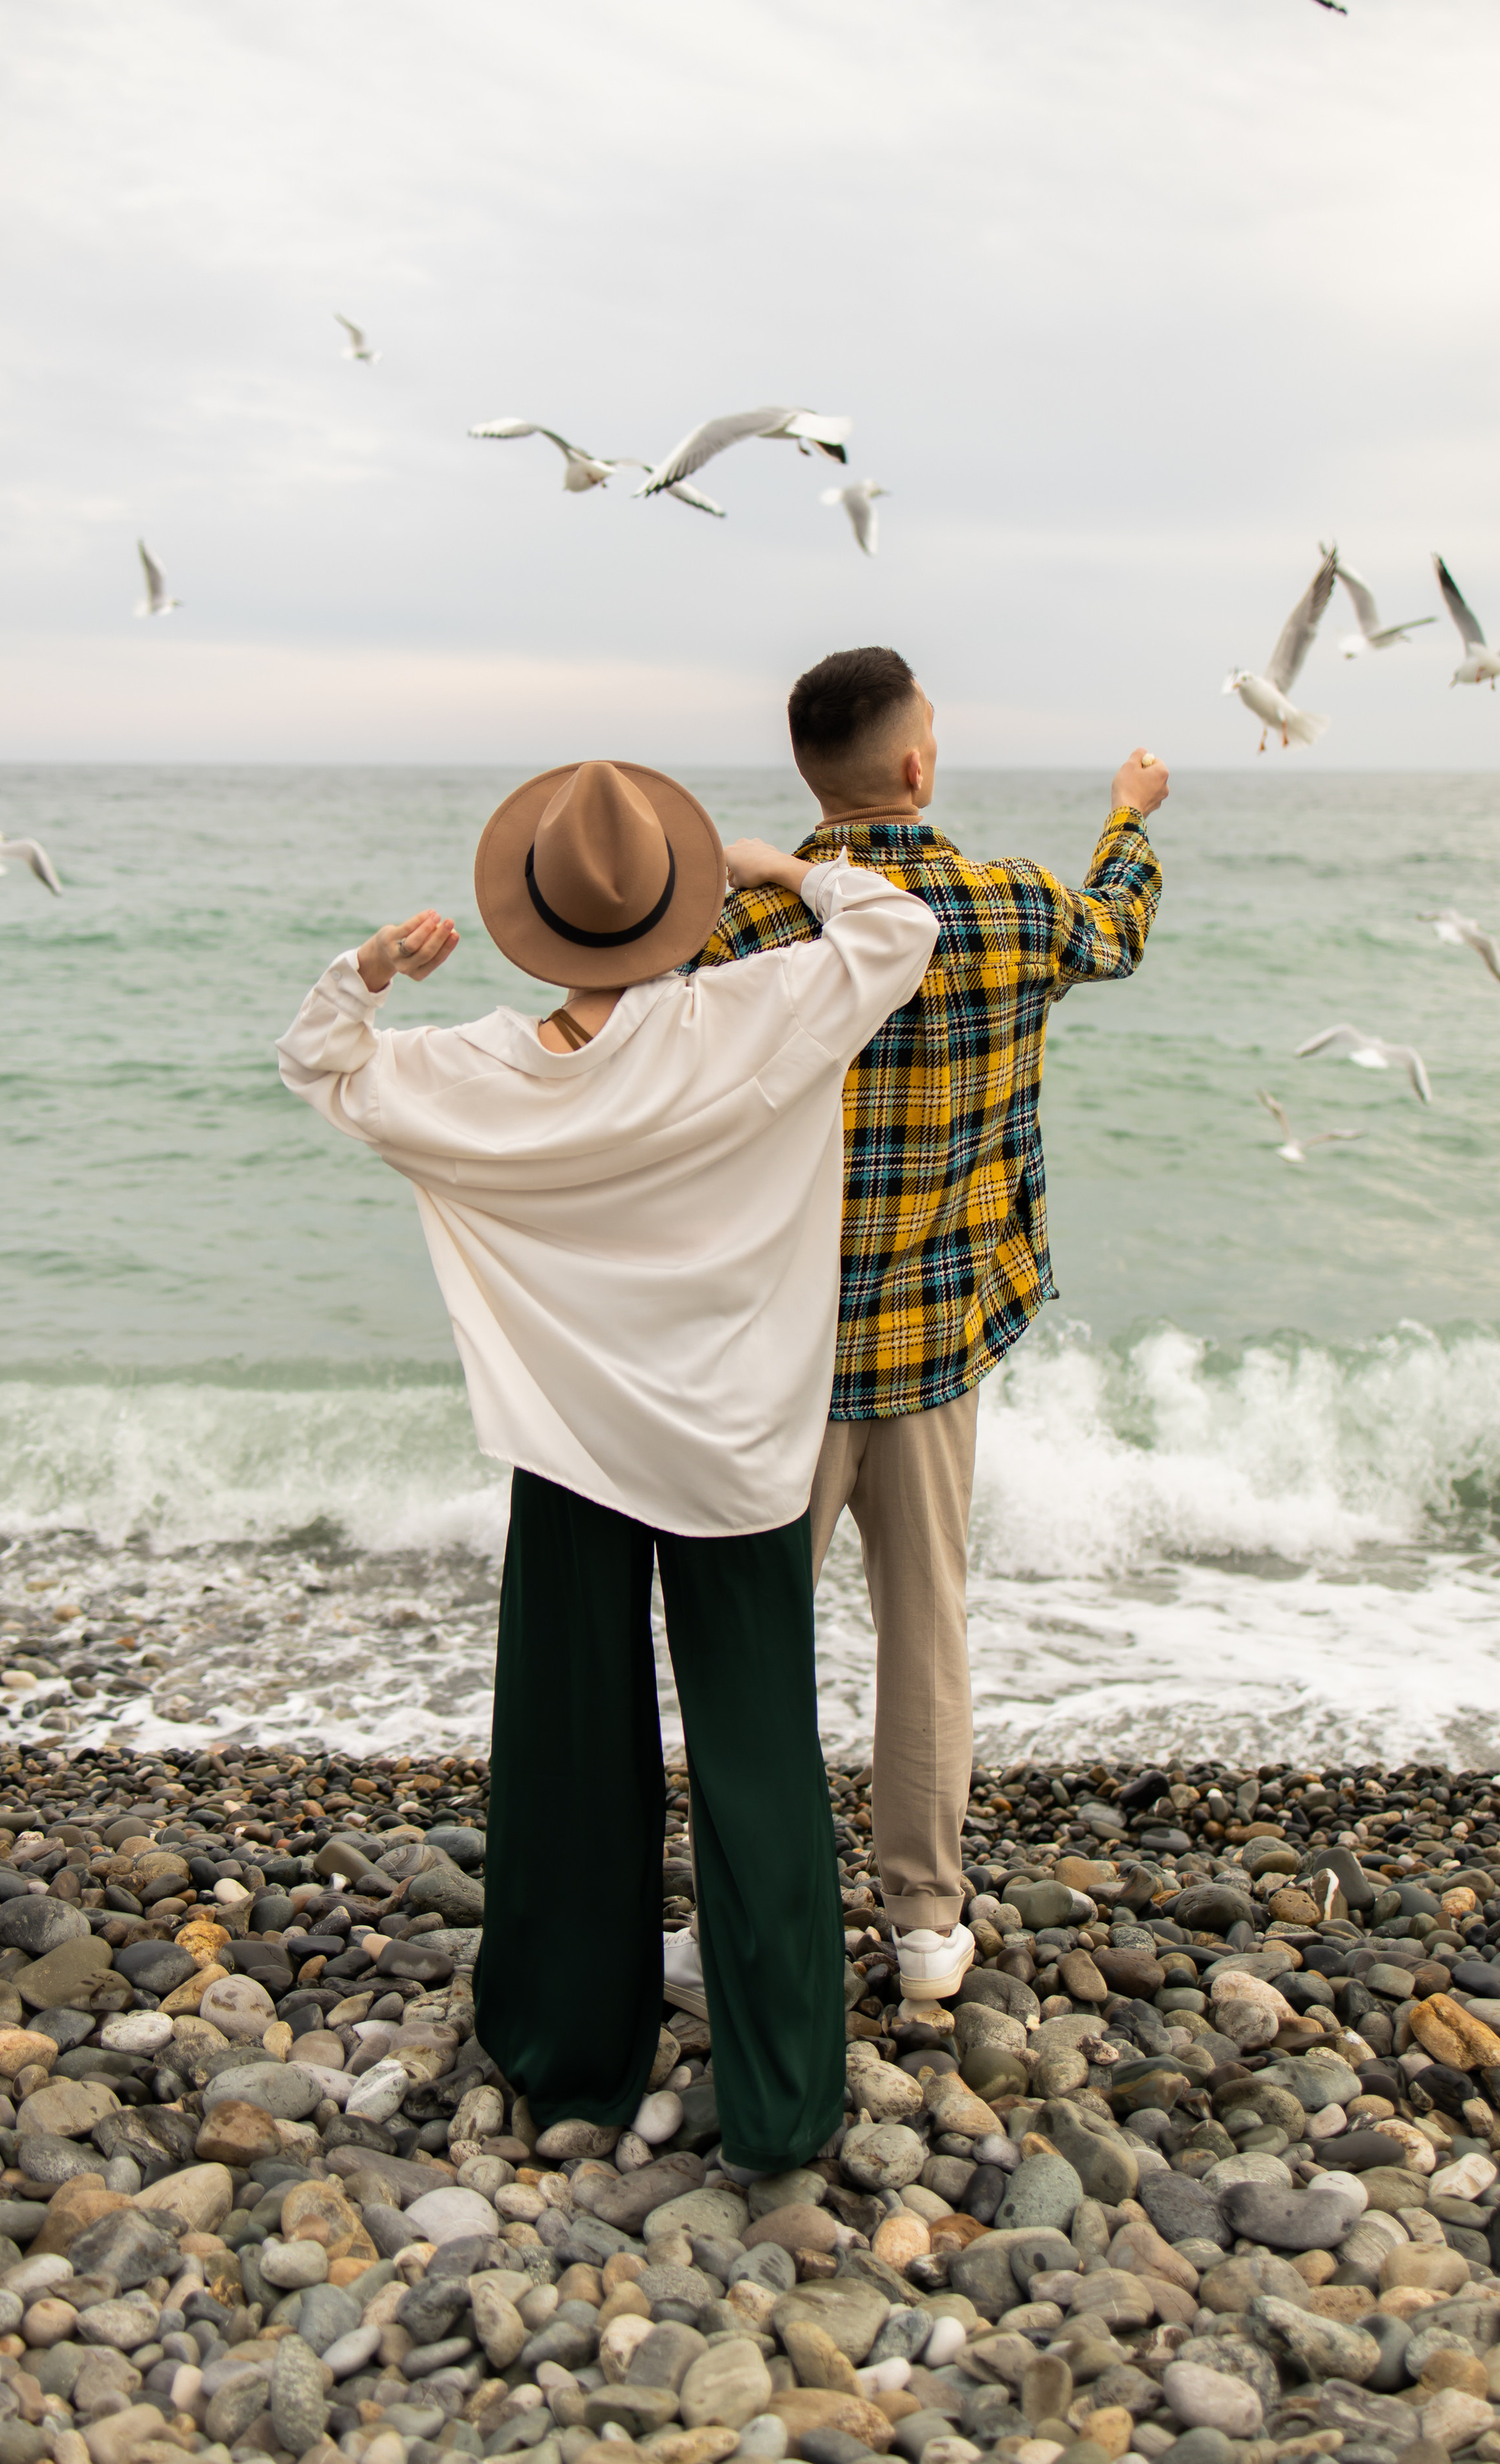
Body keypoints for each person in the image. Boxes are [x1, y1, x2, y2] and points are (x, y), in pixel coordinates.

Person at [276, 755, 936, 2176]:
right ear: (675, 910)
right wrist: (786, 871)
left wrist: (373, 966)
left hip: (571, 1448)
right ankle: (779, 2101)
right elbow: (897, 928)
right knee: (757, 1761)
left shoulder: (478, 1077)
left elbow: (316, 1059)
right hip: (742, 1449)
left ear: (534, 918)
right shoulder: (755, 1015)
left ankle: (572, 2066)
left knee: (573, 1756)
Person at [680, 649, 1165, 2010]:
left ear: (805, 776)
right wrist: (1125, 815)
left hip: (776, 1361)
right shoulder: (1004, 907)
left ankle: (735, 1919)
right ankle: (925, 1920)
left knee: (747, 1643)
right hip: (936, 1342)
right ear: (914, 765)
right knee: (924, 1627)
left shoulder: (744, 931)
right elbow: (1113, 929)